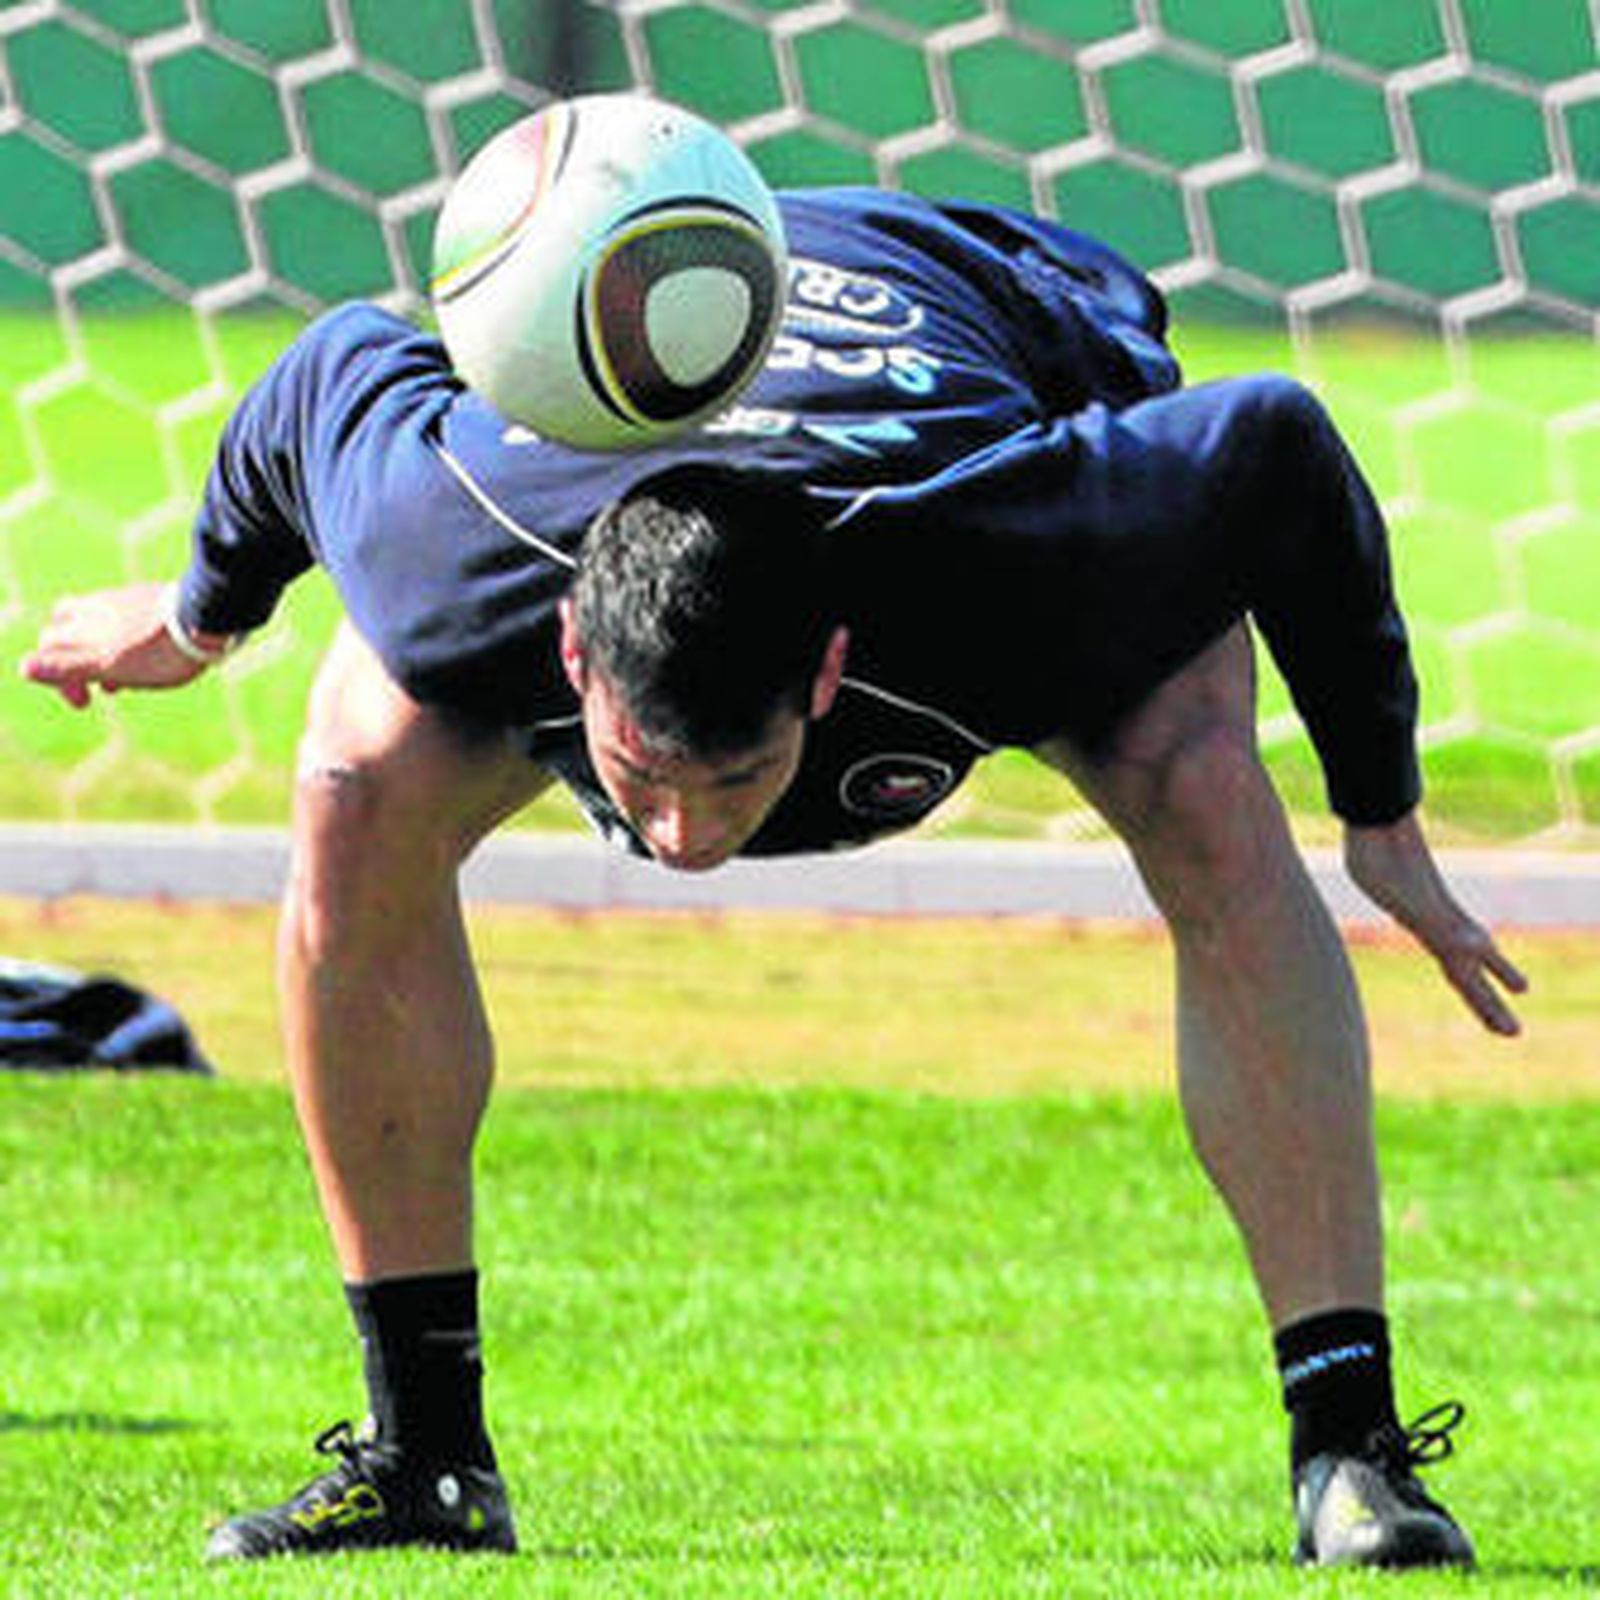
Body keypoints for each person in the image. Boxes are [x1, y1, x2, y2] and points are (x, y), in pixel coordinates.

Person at [21, 185, 1526, 1569]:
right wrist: (194, 621)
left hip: (987, 348)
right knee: (356, 773)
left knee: (1199, 782)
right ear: (568, 661)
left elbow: (1276, 444)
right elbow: (324, 369)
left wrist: (1378, 815)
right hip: (583, 494)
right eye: (641, 782)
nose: (681, 843)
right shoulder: (451, 548)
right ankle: (426, 1459)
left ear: (825, 677)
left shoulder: (1027, 552)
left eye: (729, 784)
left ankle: (1351, 1453)